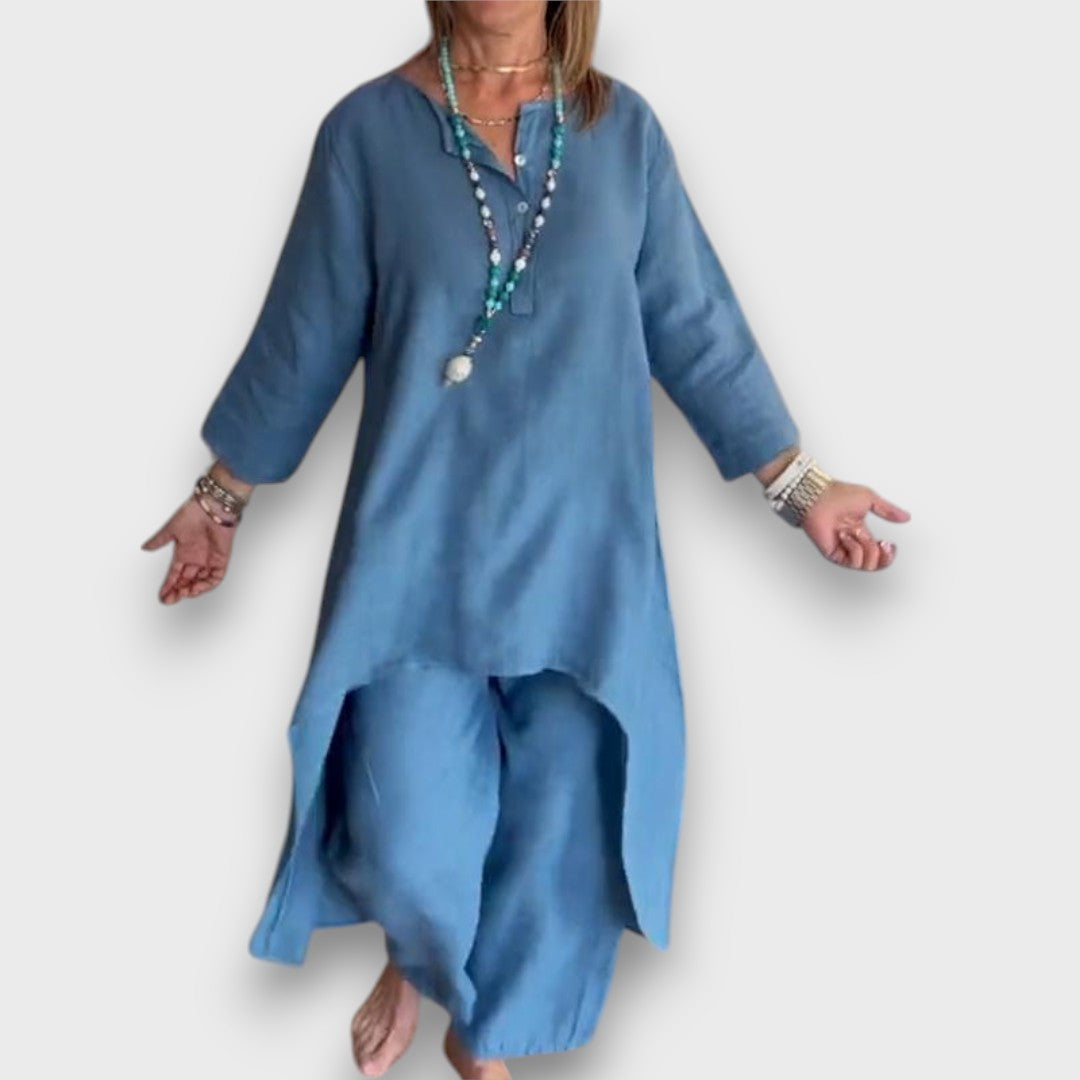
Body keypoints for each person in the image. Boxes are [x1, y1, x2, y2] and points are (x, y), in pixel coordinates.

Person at [141, 2, 911, 1077]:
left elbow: (695, 323)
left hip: (583, 562)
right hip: (416, 555)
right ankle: (424, 953)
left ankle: (482, 1037)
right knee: (409, 838)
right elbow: (304, 333)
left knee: (563, 843)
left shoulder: (622, 131)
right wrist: (219, 501)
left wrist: (801, 487)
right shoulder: (367, 133)